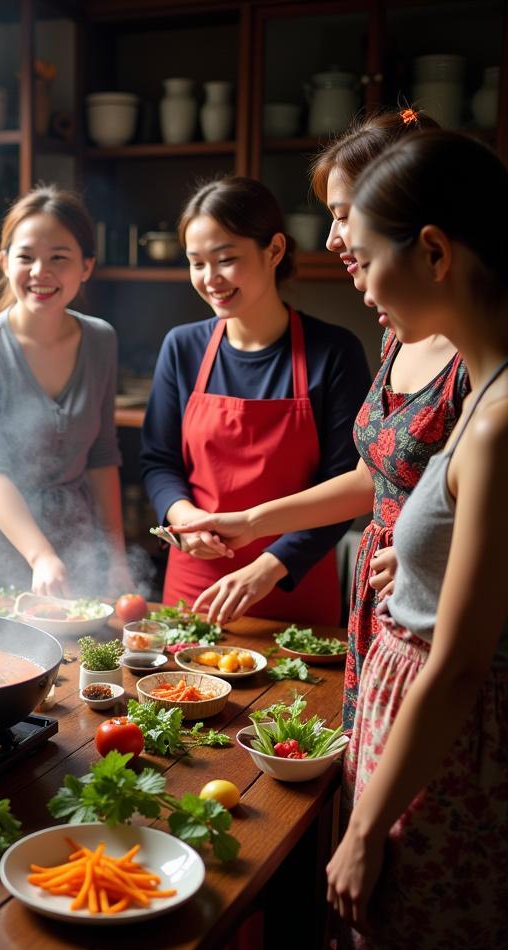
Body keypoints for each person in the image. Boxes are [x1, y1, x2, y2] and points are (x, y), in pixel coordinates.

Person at [170, 110, 470, 730]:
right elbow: (371, 478)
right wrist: (249, 522)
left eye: (342, 214)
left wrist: (428, 557)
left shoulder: (476, 356)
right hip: (376, 610)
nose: (334, 239)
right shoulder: (399, 332)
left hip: (437, 621)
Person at [324, 130, 508, 950]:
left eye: (362, 259)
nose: (355, 280)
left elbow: (464, 664)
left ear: (433, 250)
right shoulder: (481, 384)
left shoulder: (500, 414)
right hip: (414, 726)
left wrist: (362, 833)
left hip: (453, 754)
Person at [141, 176, 370, 626]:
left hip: (293, 583)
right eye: (196, 263)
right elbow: (158, 461)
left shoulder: (333, 352)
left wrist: (270, 565)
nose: (211, 280)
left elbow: (347, 485)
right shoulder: (182, 347)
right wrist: (187, 518)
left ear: (275, 251)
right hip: (196, 587)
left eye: (226, 260)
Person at [0, 185, 129, 606]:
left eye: (59, 257)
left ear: (86, 266)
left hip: (72, 558)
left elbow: (102, 455)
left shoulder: (100, 340)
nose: (41, 271)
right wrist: (40, 555)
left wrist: (115, 557)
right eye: (26, 257)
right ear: (4, 263)